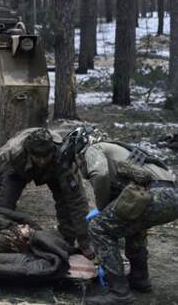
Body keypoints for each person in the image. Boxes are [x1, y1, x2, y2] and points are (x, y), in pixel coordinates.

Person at [61, 127, 178, 305]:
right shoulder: (117, 149)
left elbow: (100, 174)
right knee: (132, 223)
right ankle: (140, 279)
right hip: (170, 195)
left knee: (98, 227)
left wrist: (102, 207)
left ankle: (119, 293)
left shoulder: (94, 149)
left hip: (152, 194)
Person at [0, 128, 93, 258]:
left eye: (46, 156)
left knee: (66, 205)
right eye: (38, 157)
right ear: (29, 152)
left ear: (52, 151)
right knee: (4, 205)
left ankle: (65, 242)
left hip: (54, 171)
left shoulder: (64, 157)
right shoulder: (13, 150)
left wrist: (85, 241)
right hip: (19, 170)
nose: (42, 161)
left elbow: (77, 201)